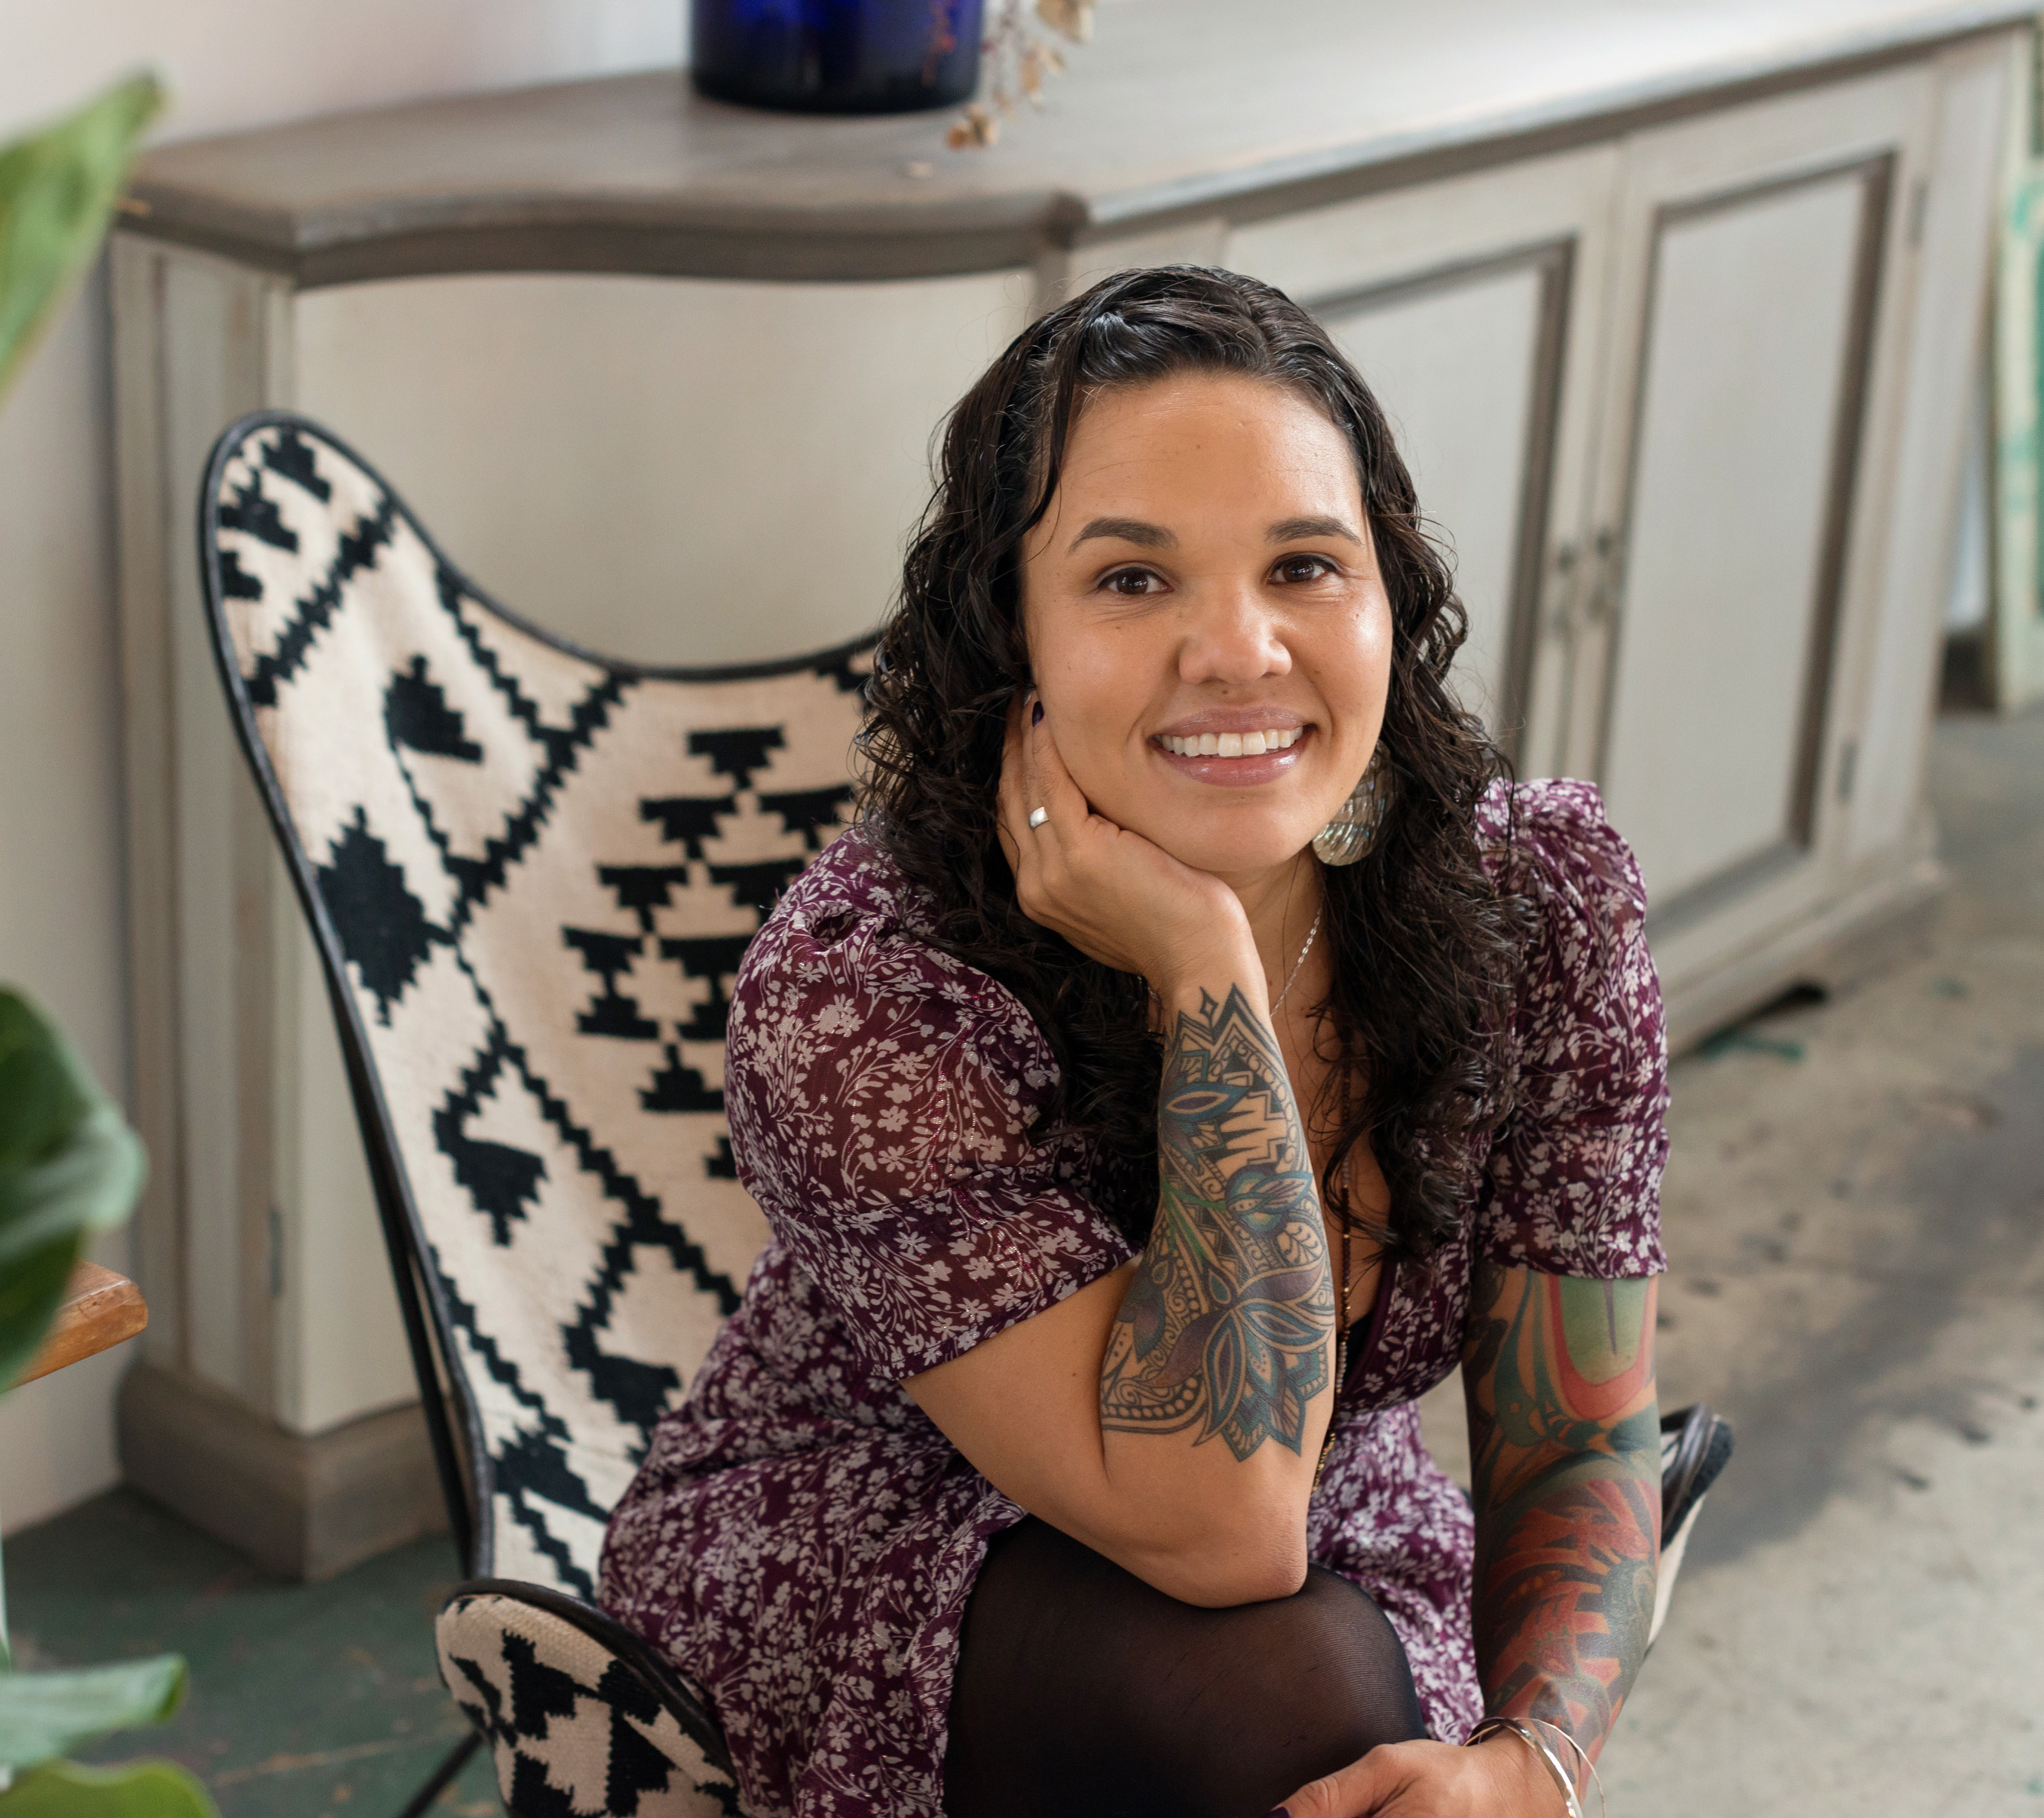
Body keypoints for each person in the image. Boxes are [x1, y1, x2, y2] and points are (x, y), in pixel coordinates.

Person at [598, 265, 1668, 1818]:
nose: (1236, 651)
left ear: (1391, 598)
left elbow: (1573, 1432)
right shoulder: (863, 999)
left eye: (1305, 565)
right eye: (1129, 579)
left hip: (1325, 1521)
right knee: (1287, 1693)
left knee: (1389, 1754)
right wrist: (1204, 964)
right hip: (860, 1552)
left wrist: (1537, 1765)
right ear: (1009, 632)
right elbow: (1224, 1519)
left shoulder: (1540, 904)